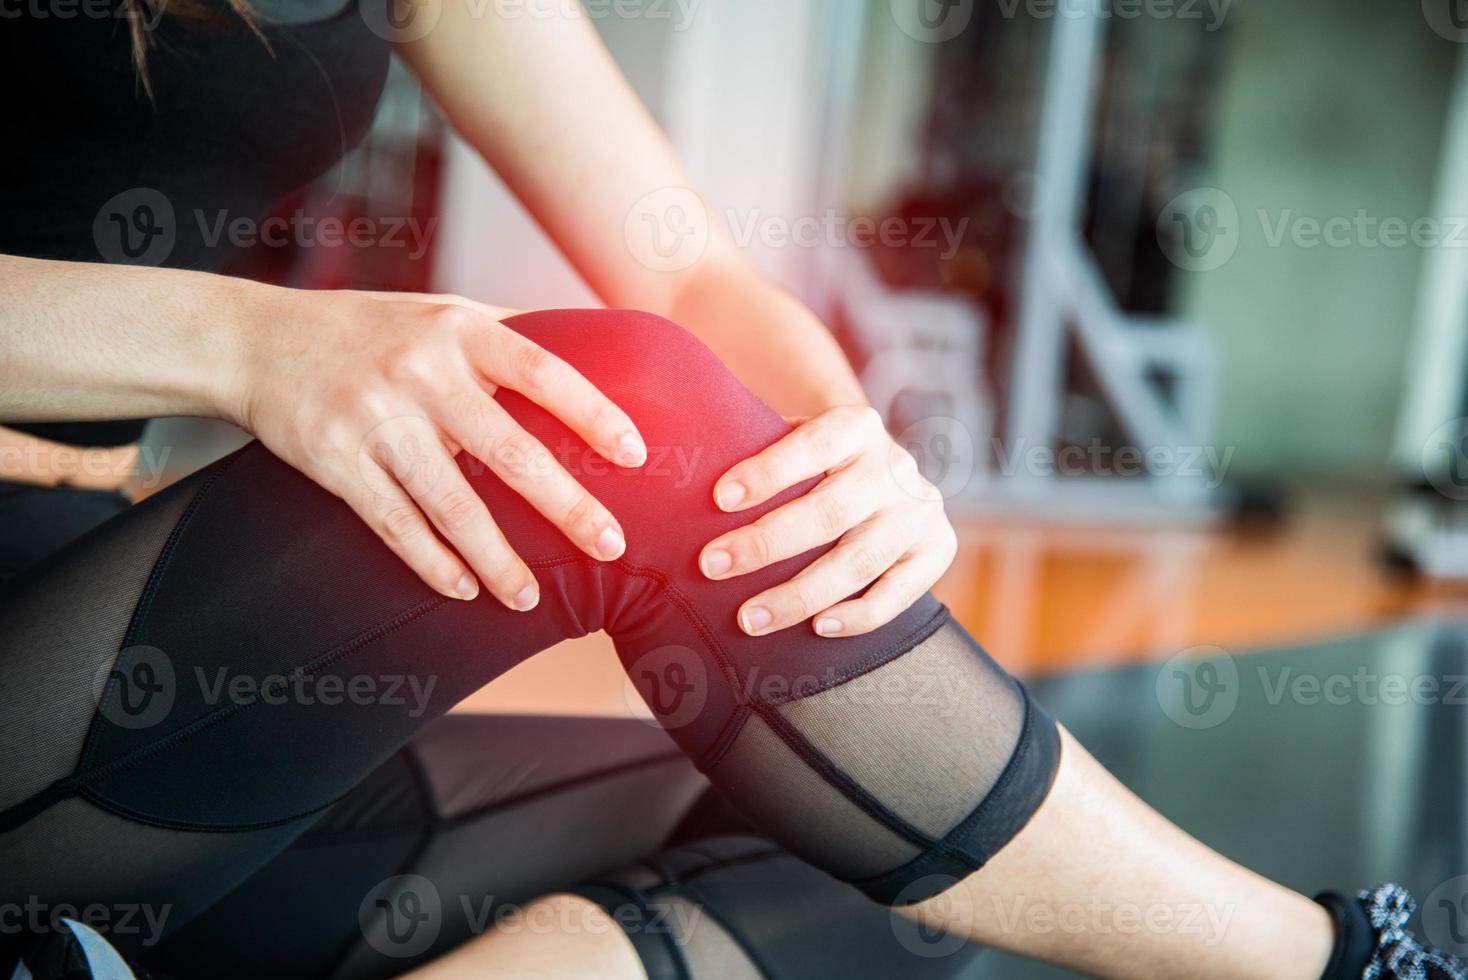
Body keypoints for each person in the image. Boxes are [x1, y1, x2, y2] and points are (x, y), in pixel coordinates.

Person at [0, 2, 1458, 978]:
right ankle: (1334, 963)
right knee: (624, 419)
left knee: (859, 838)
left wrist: (846, 446)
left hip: (100, 693)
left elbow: (687, 265)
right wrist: (252, 343)